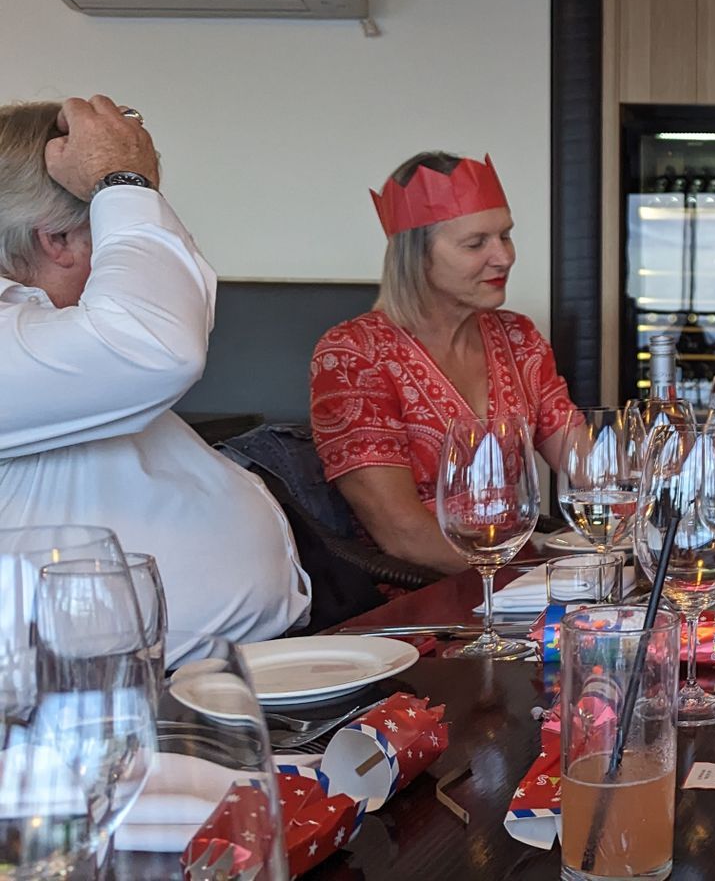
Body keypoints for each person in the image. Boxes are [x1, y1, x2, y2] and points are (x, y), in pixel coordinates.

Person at [0, 97, 311, 662]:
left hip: (242, 672)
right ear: (58, 241)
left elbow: (165, 324)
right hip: (110, 700)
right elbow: (159, 344)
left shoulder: (53, 332)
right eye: (111, 230)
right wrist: (123, 181)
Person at [309, 153, 575, 576]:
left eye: (505, 235)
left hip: (522, 580)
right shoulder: (354, 354)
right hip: (425, 594)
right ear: (417, 257)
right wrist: (530, 579)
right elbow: (403, 534)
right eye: (476, 243)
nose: (504, 257)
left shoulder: (519, 337)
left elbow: (588, 468)